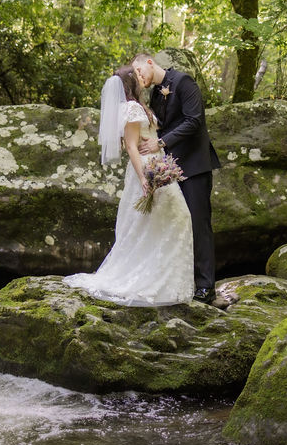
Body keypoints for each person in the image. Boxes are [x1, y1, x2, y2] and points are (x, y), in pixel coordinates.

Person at [62, 66, 194, 306]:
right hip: (148, 167)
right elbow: (131, 146)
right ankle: (157, 282)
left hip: (157, 162)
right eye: (138, 74)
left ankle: (164, 281)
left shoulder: (137, 105)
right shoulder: (132, 108)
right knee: (178, 217)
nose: (143, 76)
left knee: (159, 223)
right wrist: (145, 177)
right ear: (131, 82)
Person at [132, 53, 221, 304]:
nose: (139, 78)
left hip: (194, 165)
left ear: (149, 62)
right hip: (169, 170)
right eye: (136, 76)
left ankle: (206, 287)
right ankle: (182, 281)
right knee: (175, 224)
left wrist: (160, 142)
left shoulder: (183, 82)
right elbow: (161, 124)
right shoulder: (154, 93)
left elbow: (194, 120)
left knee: (198, 224)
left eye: (140, 71)